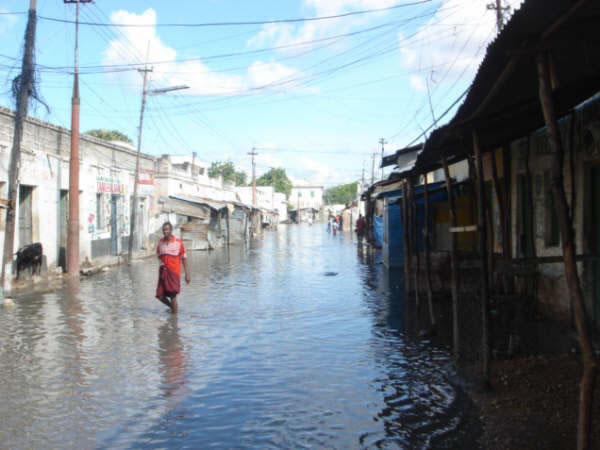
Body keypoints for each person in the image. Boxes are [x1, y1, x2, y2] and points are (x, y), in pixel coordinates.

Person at [156, 222, 190, 314]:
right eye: (164, 230)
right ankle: (174, 309)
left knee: (173, 297)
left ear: (171, 230)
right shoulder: (160, 242)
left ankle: (174, 319)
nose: (165, 231)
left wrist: (187, 274)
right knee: (160, 296)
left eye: (167, 230)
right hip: (163, 273)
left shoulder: (178, 242)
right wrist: (163, 266)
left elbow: (184, 258)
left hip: (174, 273)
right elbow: (159, 255)